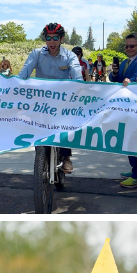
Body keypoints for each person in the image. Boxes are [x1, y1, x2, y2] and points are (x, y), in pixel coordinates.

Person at [17, 23, 82, 173]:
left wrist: (78, 86)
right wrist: (15, 83)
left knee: (65, 125)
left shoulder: (69, 56)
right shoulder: (36, 54)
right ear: (45, 39)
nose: (52, 42)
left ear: (61, 39)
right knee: (38, 128)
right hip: (41, 101)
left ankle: (66, 157)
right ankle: (41, 159)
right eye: (48, 38)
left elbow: (77, 75)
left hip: (62, 100)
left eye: (55, 38)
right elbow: (24, 74)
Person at [111, 34, 137, 189]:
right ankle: (135, 170)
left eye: (132, 46)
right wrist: (114, 73)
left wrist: (131, 82)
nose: (128, 49)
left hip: (136, 107)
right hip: (125, 106)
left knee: (134, 139)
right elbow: (116, 80)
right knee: (128, 138)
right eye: (126, 46)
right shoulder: (124, 62)